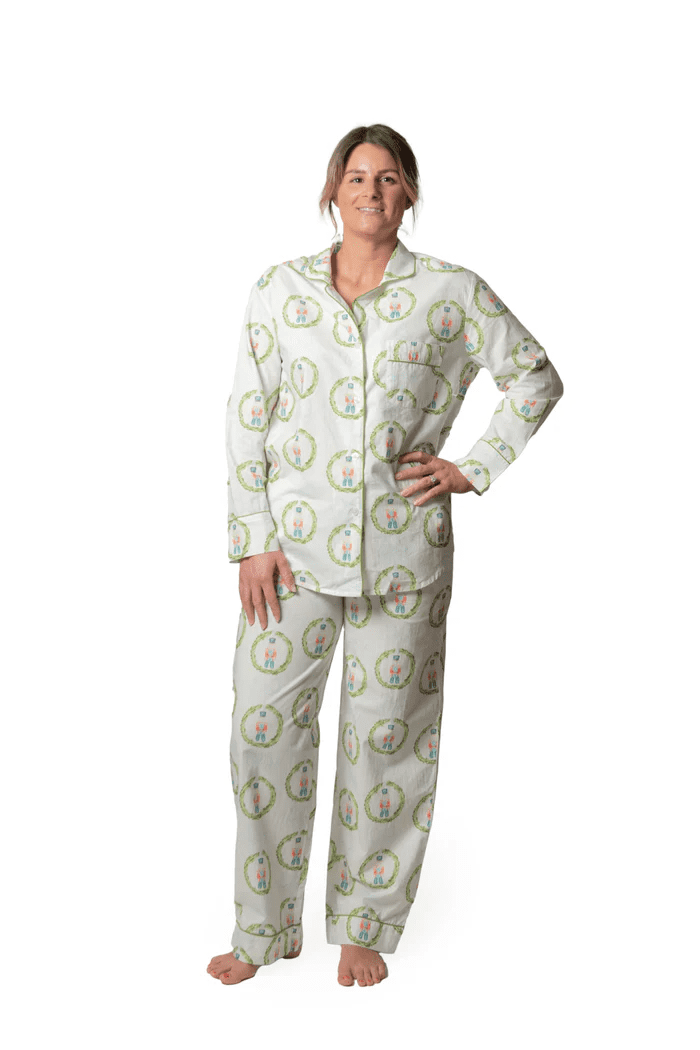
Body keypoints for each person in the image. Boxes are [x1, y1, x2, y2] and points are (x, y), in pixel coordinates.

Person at [207, 124, 564, 989]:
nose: (372, 191)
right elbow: (248, 415)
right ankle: (263, 928)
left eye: (390, 177)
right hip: (290, 557)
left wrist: (472, 467)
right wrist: (251, 537)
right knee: (262, 732)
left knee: (388, 739)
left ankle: (363, 923)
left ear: (409, 194)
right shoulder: (279, 290)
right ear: (332, 190)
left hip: (404, 556)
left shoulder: (450, 291)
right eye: (357, 176)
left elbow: (535, 376)